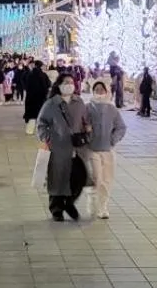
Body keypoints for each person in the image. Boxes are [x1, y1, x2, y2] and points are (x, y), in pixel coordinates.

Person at [36, 77, 90, 220]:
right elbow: (41, 125)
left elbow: (86, 121)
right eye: (66, 83)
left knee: (79, 177)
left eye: (71, 83)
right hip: (58, 148)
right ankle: (56, 208)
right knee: (57, 178)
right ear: (59, 85)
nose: (69, 85)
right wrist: (49, 138)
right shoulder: (51, 104)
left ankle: (69, 202)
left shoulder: (79, 102)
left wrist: (87, 131)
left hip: (77, 147)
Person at [86, 78, 126, 218]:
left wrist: (113, 140)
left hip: (108, 150)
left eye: (101, 90)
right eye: (96, 90)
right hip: (92, 149)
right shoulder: (88, 107)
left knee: (107, 179)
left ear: (106, 91)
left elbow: (121, 127)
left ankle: (103, 206)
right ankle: (92, 200)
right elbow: (79, 125)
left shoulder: (112, 109)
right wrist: (87, 134)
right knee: (96, 177)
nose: (99, 93)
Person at [23, 61, 50, 129]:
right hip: (40, 97)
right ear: (41, 66)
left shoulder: (29, 74)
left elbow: (26, 84)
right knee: (39, 110)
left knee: (31, 112)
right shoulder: (43, 75)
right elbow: (47, 85)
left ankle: (30, 126)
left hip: (30, 96)